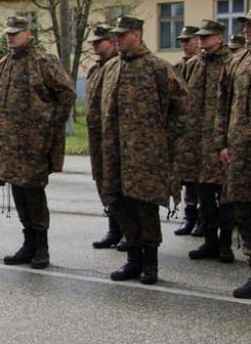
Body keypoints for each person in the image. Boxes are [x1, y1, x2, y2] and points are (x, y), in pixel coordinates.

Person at [95, 16, 186, 285]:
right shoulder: (111, 68)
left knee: (144, 206)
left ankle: (150, 263)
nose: (117, 39)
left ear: (137, 35)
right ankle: (132, 259)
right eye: (116, 35)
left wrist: (163, 139)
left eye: (122, 35)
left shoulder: (157, 67)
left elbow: (181, 106)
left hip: (146, 154)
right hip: (115, 152)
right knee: (120, 203)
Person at [0, 16, 75, 270]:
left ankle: (42, 246)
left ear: (28, 34)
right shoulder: (4, 64)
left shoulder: (42, 62)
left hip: (33, 145)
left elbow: (66, 92)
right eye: (8, 33)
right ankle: (28, 243)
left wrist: (52, 125)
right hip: (9, 146)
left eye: (16, 33)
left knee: (34, 193)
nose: (10, 36)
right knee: (18, 193)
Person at [182, 20, 235, 263]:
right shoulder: (194, 65)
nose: (201, 41)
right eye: (200, 37)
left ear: (220, 38)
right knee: (204, 197)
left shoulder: (231, 63)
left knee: (226, 197)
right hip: (197, 145)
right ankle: (209, 241)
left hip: (221, 142)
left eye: (207, 37)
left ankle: (225, 244)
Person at [215, 9, 251, 298]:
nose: (247, 30)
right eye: (246, 25)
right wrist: (221, 143)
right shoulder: (237, 62)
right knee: (243, 209)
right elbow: (222, 105)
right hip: (240, 153)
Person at [84, 24, 125, 250]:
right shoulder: (95, 69)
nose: (94, 45)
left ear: (112, 41)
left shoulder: (119, 66)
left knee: (119, 185)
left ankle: (129, 232)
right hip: (98, 138)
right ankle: (114, 229)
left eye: (99, 41)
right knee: (104, 183)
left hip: (115, 138)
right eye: (93, 42)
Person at [174, 25, 204, 236]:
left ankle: (203, 218)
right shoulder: (178, 66)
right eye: (182, 41)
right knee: (186, 177)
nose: (185, 45)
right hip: (183, 131)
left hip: (201, 131)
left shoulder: (202, 64)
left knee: (202, 178)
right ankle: (189, 216)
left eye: (188, 40)